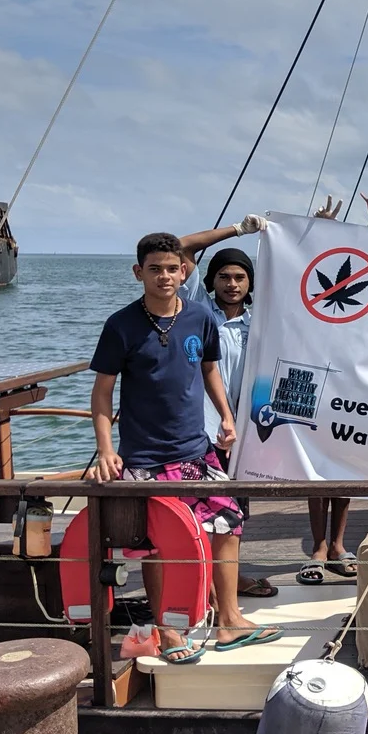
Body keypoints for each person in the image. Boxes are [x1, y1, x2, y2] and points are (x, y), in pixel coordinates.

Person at [90, 233, 280, 662]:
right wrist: (105, 449)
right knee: (157, 545)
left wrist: (226, 415)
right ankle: (168, 631)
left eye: (172, 268)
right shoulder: (121, 325)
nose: (164, 276)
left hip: (197, 451)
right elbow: (102, 392)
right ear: (138, 273)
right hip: (145, 459)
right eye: (154, 269)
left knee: (229, 523)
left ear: (184, 272)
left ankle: (229, 620)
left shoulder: (199, 317)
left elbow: (209, 368)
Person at [300, 189, 368, 582]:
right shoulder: (309, 284)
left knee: (343, 468)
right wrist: (321, 228)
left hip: (350, 385)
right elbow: (300, 261)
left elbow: (365, 260)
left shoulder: (363, 289)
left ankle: (338, 544)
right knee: (312, 471)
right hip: (312, 381)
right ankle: (318, 545)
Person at [176, 213, 274, 599]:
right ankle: (204, 585)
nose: (232, 284)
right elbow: (182, 247)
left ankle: (230, 579)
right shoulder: (196, 309)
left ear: (250, 283)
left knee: (235, 508)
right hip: (201, 426)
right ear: (211, 281)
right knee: (202, 507)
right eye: (224, 276)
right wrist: (237, 230)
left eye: (240, 277)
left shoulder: (259, 321)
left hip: (243, 430)